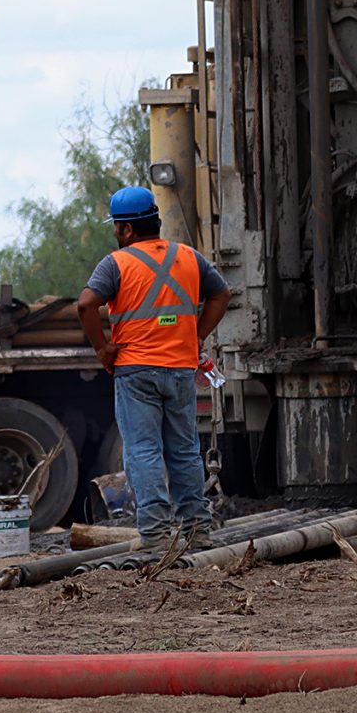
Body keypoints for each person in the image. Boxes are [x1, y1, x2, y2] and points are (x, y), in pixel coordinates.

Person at [75, 185, 231, 548]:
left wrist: (103, 349)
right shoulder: (190, 257)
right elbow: (221, 294)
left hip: (135, 370)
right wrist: (195, 337)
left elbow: (85, 305)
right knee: (184, 451)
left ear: (127, 229)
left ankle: (156, 535)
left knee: (143, 452)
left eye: (116, 226)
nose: (116, 233)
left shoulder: (116, 263)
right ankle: (197, 530)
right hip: (179, 369)